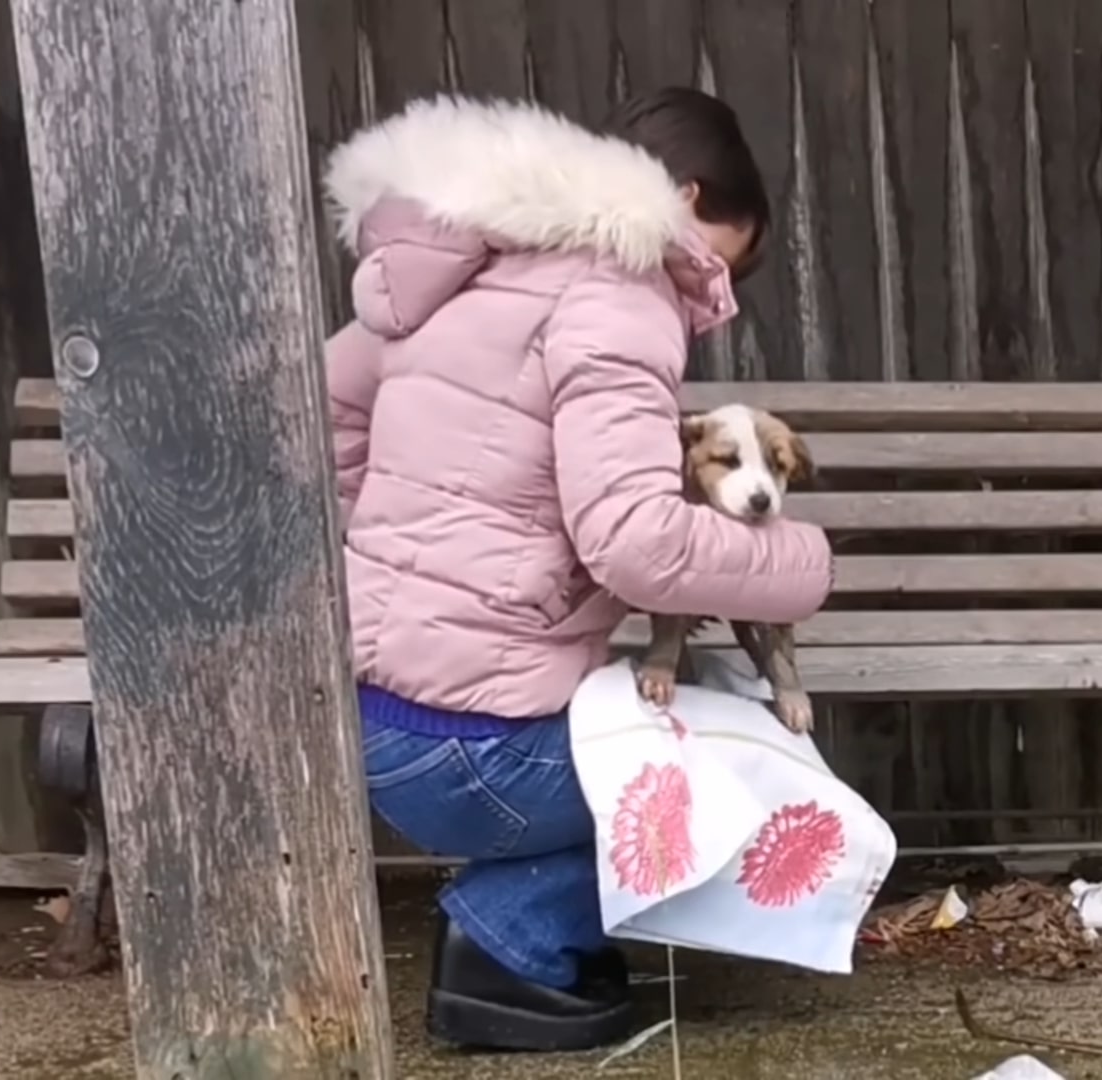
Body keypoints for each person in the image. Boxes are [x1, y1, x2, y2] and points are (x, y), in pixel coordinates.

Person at [321, 88, 833, 1052]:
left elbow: (326, 412)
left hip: (371, 719)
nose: (718, 293)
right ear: (684, 199)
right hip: (482, 751)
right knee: (753, 764)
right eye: (731, 257)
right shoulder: (619, 293)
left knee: (698, 711)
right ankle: (507, 936)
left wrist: (392, 551)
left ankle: (518, 928)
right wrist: (802, 562)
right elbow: (636, 543)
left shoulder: (463, 270)